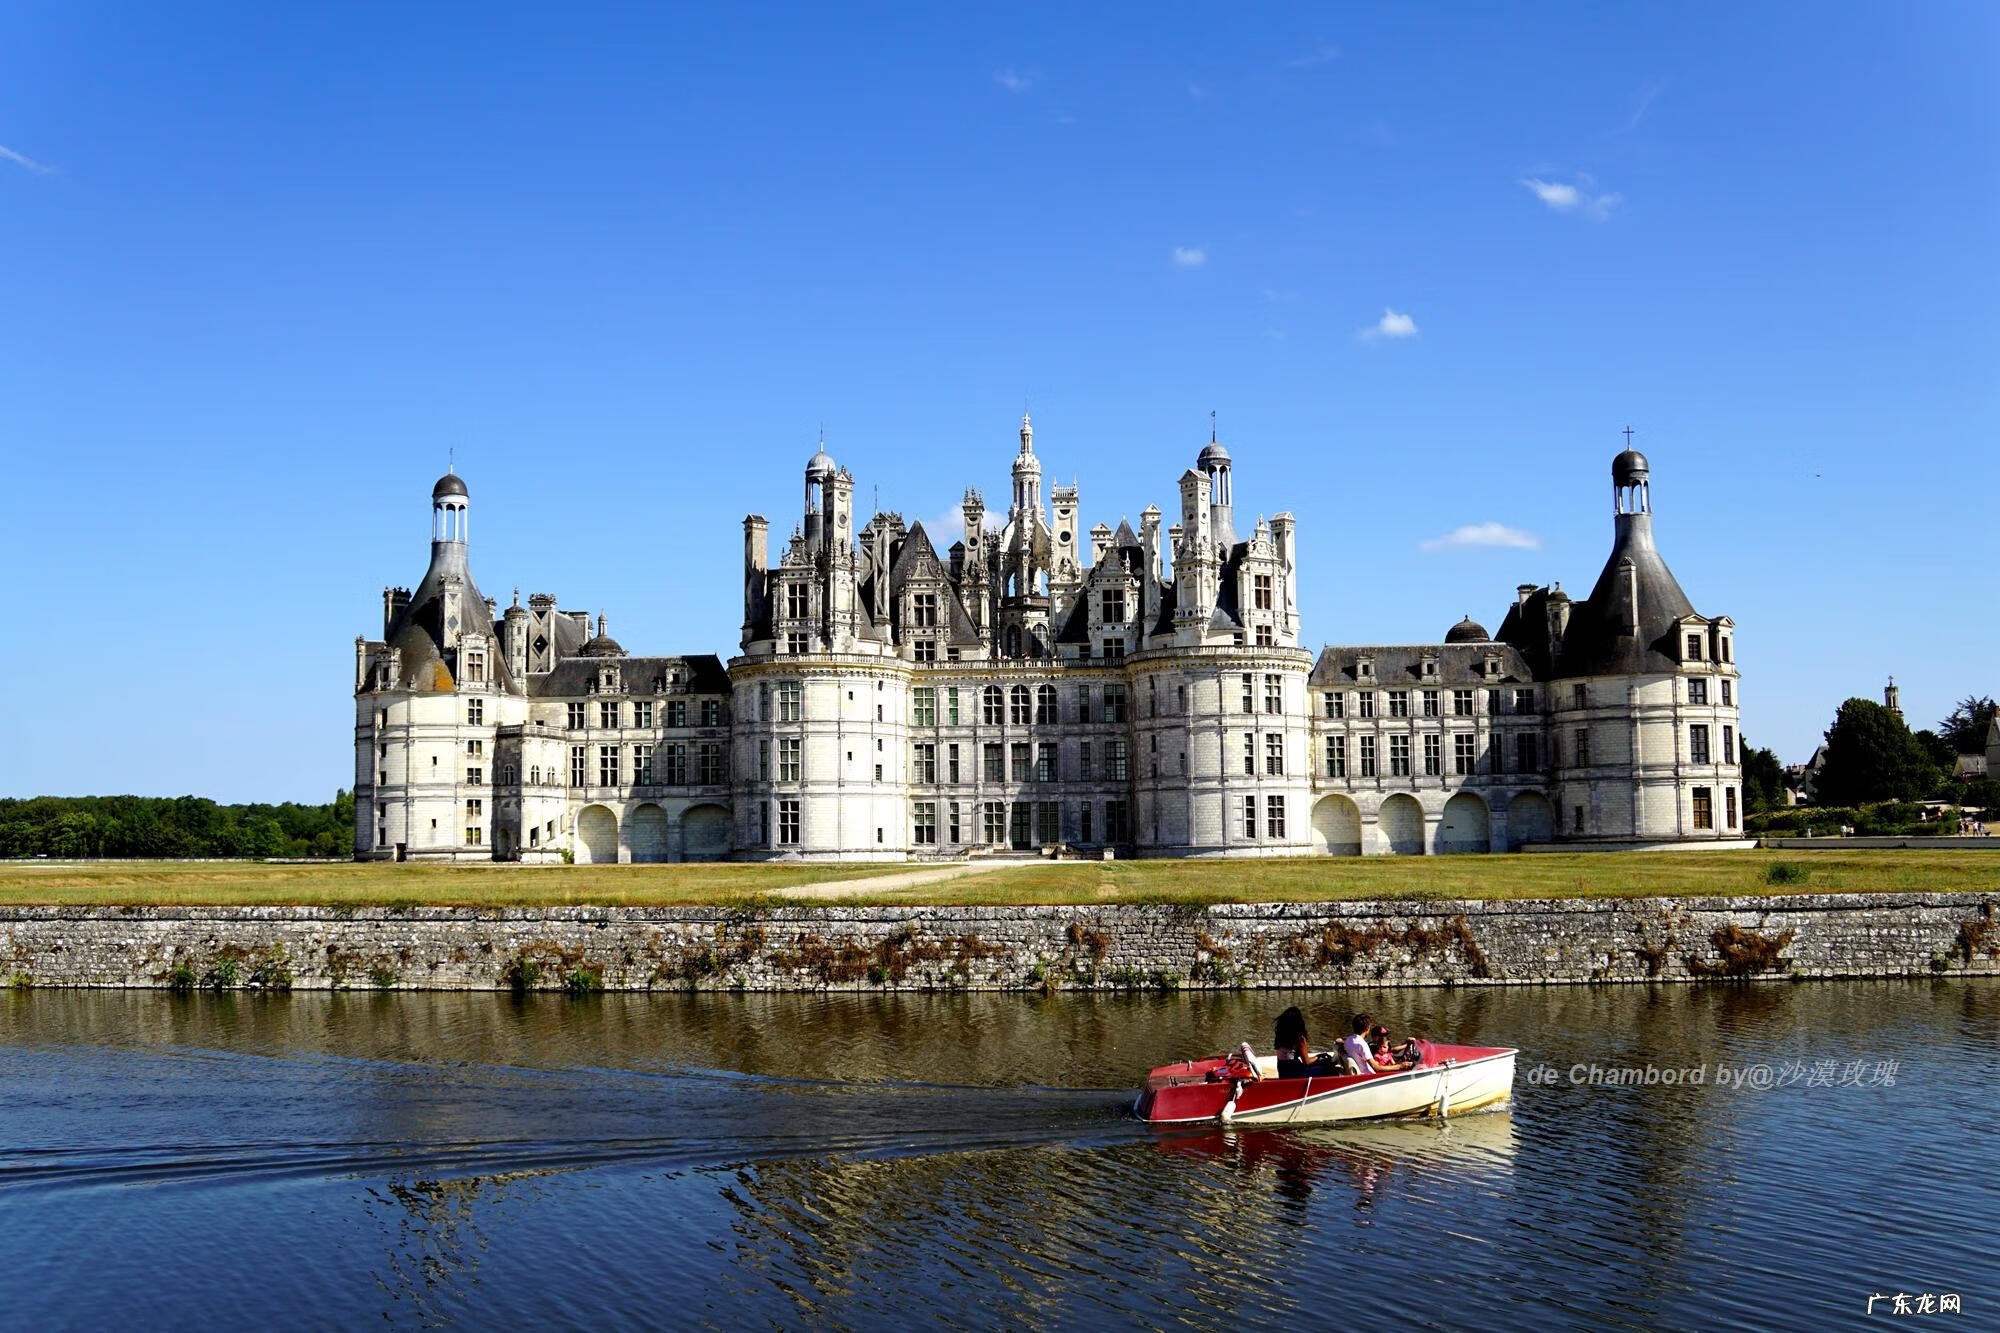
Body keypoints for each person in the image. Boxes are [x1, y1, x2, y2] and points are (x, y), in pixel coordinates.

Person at [1272, 1005, 1342, 1079]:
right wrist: (1319, 1057)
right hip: (1296, 1073)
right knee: (1328, 1067)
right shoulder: (1299, 1038)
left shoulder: (1280, 1037)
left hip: (1284, 1073)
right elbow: (1307, 1062)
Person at [1340, 1013, 1407, 1074]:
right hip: (1370, 1076)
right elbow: (1376, 1068)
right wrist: (1400, 1066)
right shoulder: (1362, 1044)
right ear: (1367, 1028)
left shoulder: (1348, 1040)